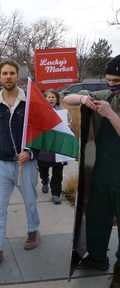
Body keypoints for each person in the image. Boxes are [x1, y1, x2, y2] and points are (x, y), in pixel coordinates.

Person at [63, 55, 120, 287]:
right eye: (108, 80)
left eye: (116, 80)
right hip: (101, 173)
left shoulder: (110, 105)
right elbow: (68, 97)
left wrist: (110, 114)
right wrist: (85, 98)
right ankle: (97, 257)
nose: (111, 86)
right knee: (96, 218)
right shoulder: (107, 96)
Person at [0, 59, 40, 271]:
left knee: (30, 201)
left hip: (26, 164)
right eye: (4, 73)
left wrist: (32, 151)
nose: (8, 77)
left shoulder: (30, 103)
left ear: (18, 76)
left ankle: (33, 230)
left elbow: (41, 132)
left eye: (12, 73)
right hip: (0, 165)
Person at [37, 89, 72, 205]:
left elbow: (69, 125)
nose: (51, 99)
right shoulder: (39, 111)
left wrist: (68, 126)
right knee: (43, 168)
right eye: (48, 97)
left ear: (57, 99)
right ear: (44, 99)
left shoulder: (63, 111)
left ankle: (56, 193)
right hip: (44, 146)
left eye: (53, 97)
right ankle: (44, 180)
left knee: (57, 171)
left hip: (58, 147)